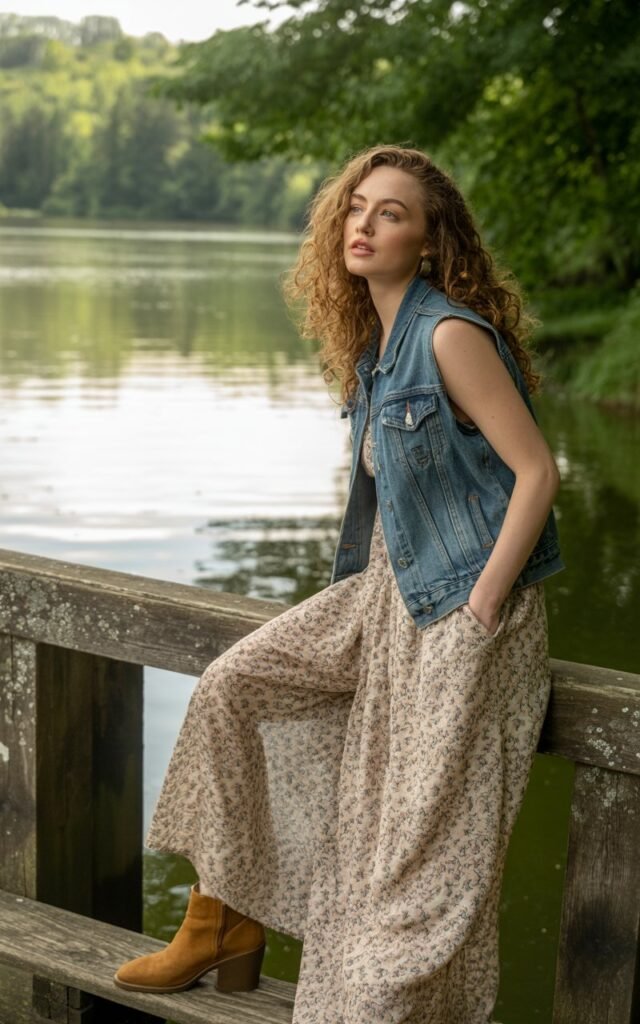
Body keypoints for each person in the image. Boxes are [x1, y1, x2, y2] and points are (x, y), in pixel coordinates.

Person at [113, 144, 564, 1024]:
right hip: (384, 598)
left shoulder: (446, 335)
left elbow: (538, 474)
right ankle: (219, 919)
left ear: (430, 242)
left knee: (414, 863)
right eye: (356, 207)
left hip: (463, 612)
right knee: (235, 688)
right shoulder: (377, 347)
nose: (363, 224)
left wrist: (478, 613)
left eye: (390, 212)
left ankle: (378, 1007)